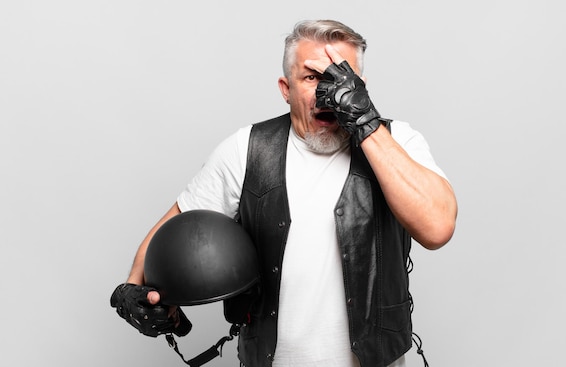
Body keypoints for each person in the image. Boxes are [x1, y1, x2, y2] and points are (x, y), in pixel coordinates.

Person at [111, 19, 457, 367]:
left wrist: (365, 119)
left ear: (361, 87)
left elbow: (437, 227)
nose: (329, 94)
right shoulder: (246, 150)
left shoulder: (398, 142)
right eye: (312, 78)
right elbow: (173, 227)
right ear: (285, 87)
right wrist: (133, 289)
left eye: (341, 79)